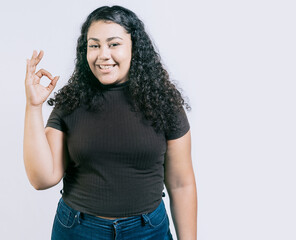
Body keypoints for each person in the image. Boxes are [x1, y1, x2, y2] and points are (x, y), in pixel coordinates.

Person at [23, 5, 197, 240]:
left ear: (134, 47)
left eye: (114, 44)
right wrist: (33, 107)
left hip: (147, 231)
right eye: (94, 45)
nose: (103, 54)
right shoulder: (70, 101)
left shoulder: (164, 102)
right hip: (79, 230)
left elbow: (181, 184)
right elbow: (42, 178)